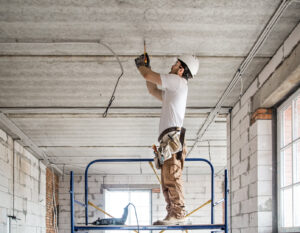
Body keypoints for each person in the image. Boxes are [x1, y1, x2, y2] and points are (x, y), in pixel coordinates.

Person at [135, 53, 199, 225]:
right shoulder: (173, 91)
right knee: (167, 179)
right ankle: (173, 213)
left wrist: (143, 67)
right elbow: (152, 89)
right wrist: (147, 69)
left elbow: (148, 76)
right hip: (167, 141)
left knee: (172, 176)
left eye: (175, 64)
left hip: (172, 139)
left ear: (181, 69)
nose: (172, 66)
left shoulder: (178, 82)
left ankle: (179, 214)